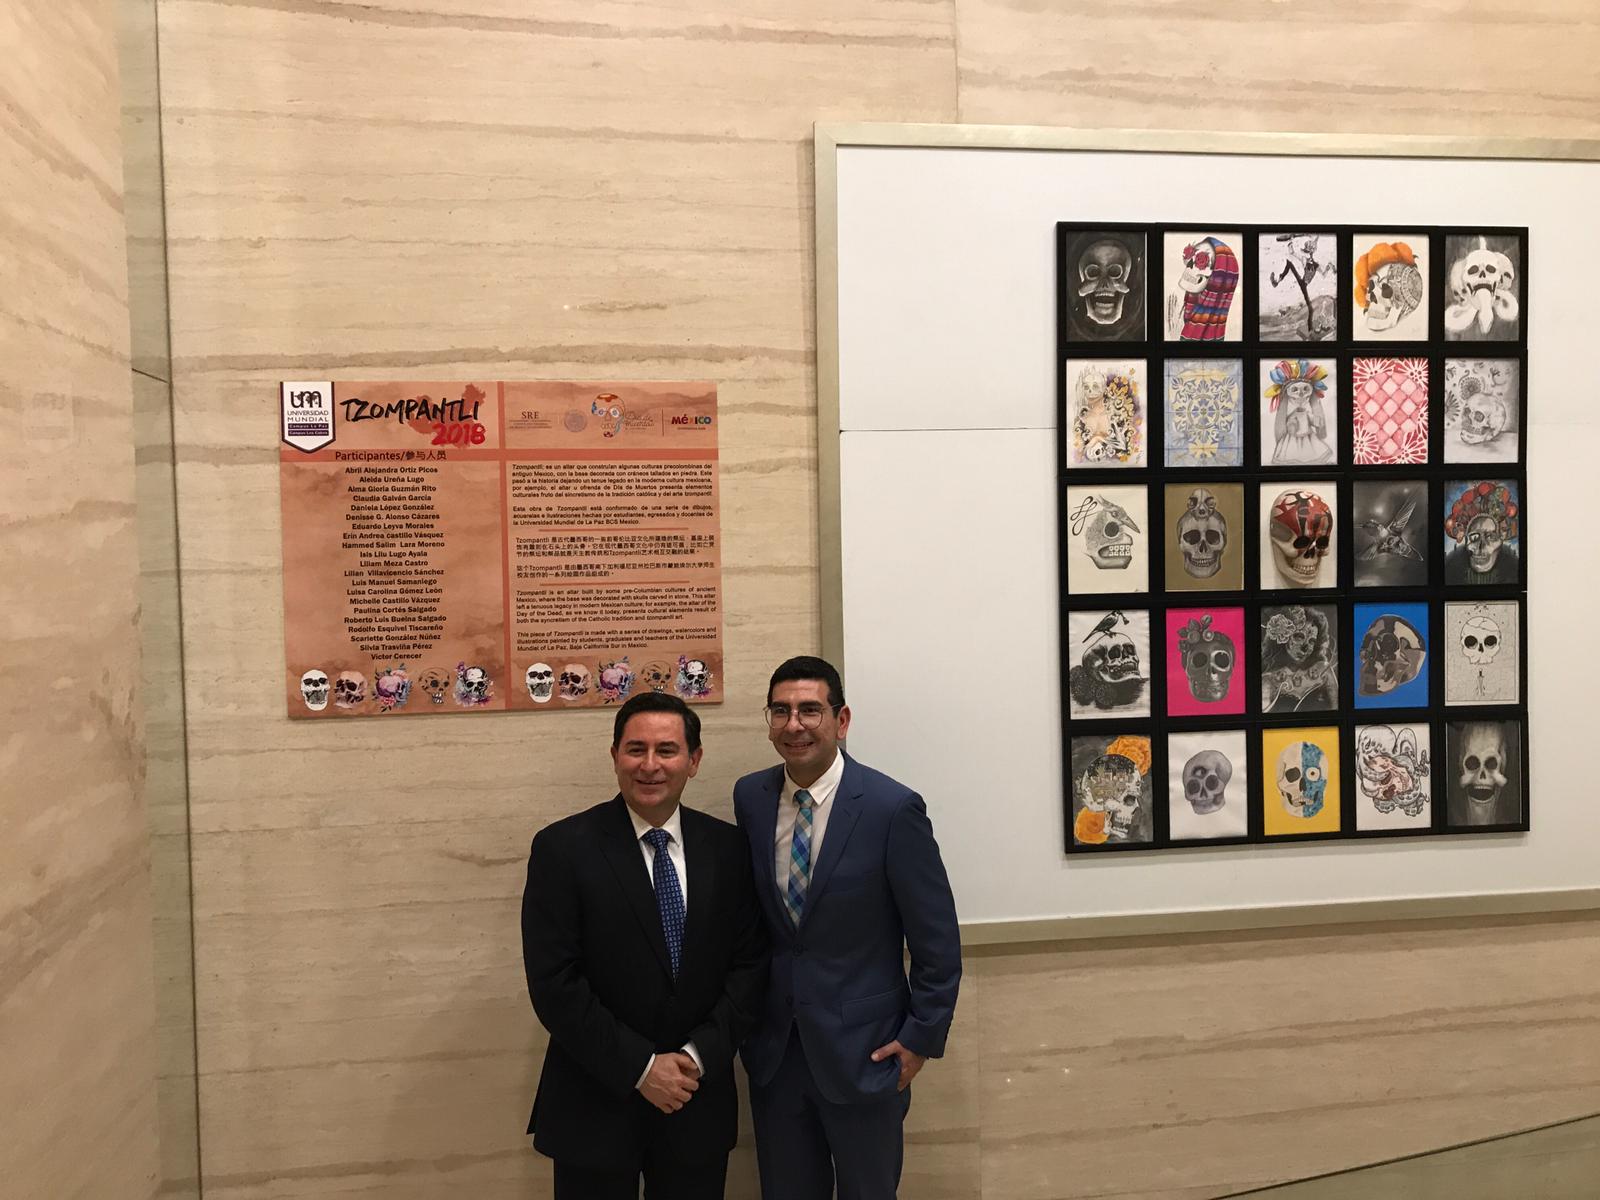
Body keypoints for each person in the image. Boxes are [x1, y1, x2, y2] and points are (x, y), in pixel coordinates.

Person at [522, 691, 768, 1199]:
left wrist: (696, 1056)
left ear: (694, 760)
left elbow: (750, 966)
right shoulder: (562, 849)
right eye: (636, 749)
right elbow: (554, 983)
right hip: (594, 1104)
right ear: (615, 756)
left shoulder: (729, 849)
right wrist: (641, 1067)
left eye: (667, 750)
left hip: (695, 1102)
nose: (650, 765)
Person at [734, 656, 961, 1200]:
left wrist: (919, 1039)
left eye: (810, 710)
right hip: (777, 1056)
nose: (794, 724)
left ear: (842, 719)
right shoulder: (751, 798)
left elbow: (936, 941)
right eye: (781, 711)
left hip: (867, 1054)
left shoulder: (891, 808)